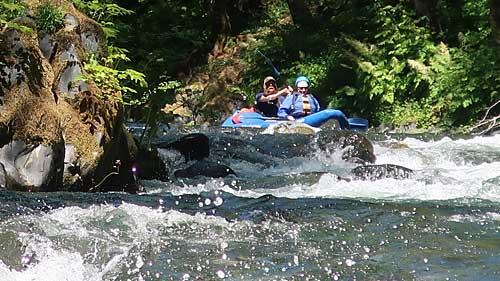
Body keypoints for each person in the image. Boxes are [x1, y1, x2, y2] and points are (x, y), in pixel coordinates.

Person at [278, 76, 351, 129]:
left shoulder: (312, 98)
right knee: (336, 113)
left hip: (311, 120)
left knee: (336, 113)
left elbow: (318, 111)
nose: (303, 90)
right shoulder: (292, 97)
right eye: (301, 88)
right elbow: (281, 112)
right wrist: (288, 117)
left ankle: (346, 127)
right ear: (297, 88)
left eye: (305, 88)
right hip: (297, 120)